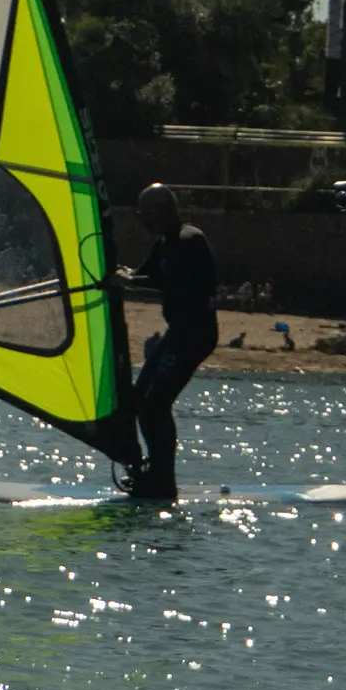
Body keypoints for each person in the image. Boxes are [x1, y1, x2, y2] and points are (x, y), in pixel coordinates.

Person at [112, 183, 219, 501]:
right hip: (177, 333)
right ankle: (150, 472)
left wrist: (130, 280)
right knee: (138, 400)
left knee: (156, 405)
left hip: (195, 335)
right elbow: (141, 274)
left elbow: (168, 281)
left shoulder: (189, 240)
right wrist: (120, 274)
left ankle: (163, 481)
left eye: (145, 213)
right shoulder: (164, 244)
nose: (142, 220)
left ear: (160, 212)